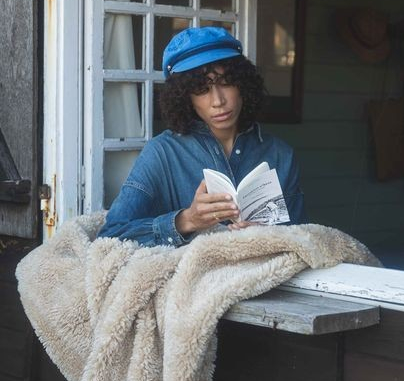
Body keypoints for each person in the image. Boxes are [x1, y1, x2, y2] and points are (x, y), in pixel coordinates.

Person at [98, 26, 307, 247]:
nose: (218, 101)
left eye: (226, 82)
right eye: (201, 89)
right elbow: (111, 235)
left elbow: (303, 240)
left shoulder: (280, 155)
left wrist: (269, 236)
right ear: (185, 97)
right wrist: (187, 220)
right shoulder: (161, 152)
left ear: (243, 85)